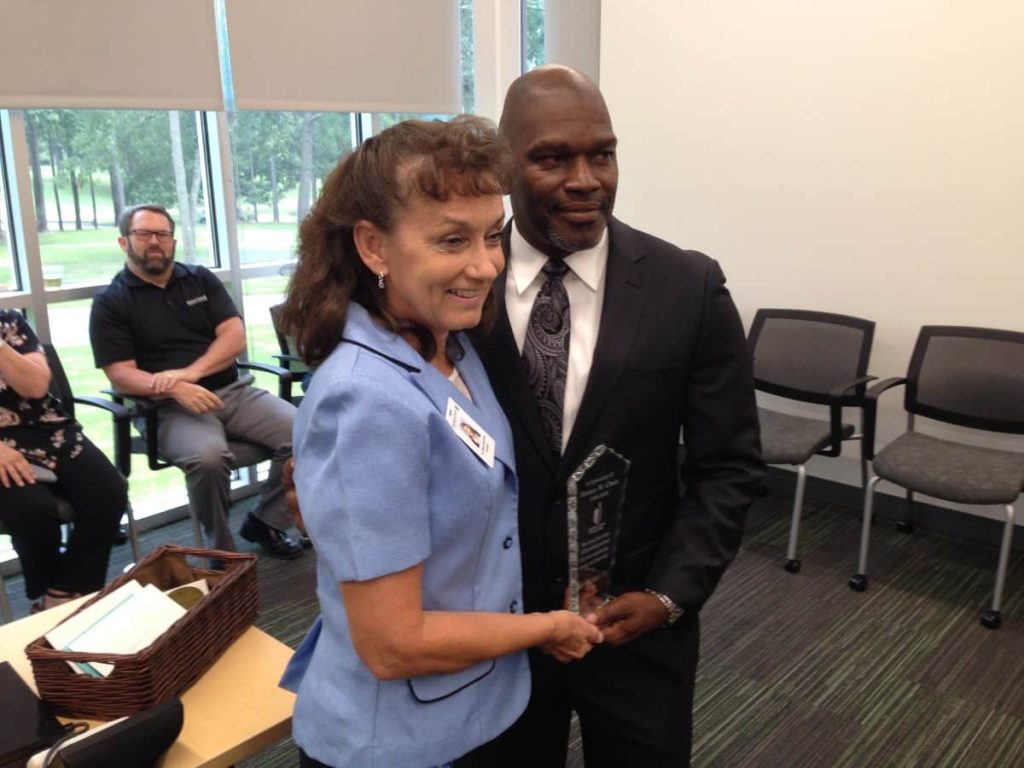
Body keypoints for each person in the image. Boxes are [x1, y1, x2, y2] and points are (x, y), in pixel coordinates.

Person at [459, 65, 765, 767]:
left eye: (602, 154)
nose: (585, 180)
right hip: (495, 626)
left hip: (636, 623)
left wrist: (670, 594)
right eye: (552, 158)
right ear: (505, 167)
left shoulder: (688, 287)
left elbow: (729, 466)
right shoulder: (461, 283)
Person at [277, 116, 603, 768]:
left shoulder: (448, 344)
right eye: (452, 240)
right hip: (397, 739)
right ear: (373, 246)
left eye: (492, 236)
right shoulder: (365, 398)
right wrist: (545, 628)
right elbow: (392, 644)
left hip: (473, 705)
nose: (484, 266)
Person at [89, 204, 303, 559]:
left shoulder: (199, 279)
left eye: (162, 234)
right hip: (167, 407)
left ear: (173, 241)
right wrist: (174, 387)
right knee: (208, 458)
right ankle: (221, 555)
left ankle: (266, 521)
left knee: (307, 431)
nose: (154, 241)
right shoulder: (111, 303)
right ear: (124, 242)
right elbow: (121, 374)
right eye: (144, 234)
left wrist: (191, 373)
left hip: (232, 392)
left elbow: (233, 336)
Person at [0, 310, 126, 611]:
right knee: (33, 512)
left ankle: (60, 595)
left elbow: (35, 387)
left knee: (109, 493)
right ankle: (58, 597)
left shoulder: (9, 323)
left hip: (50, 431)